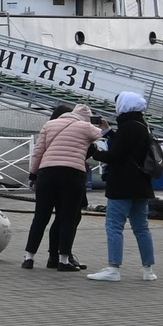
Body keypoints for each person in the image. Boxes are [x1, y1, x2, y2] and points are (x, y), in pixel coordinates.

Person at [88, 90, 163, 282]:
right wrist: (108, 132)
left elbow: (116, 155)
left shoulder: (127, 127)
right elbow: (128, 149)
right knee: (142, 228)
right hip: (142, 185)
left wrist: (95, 153)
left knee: (114, 226)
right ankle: (148, 270)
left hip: (122, 185)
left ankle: (113, 269)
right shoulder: (143, 126)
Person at [23, 103, 96, 271]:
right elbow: (99, 139)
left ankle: (29, 258)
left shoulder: (49, 126)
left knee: (40, 217)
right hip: (73, 175)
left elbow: (38, 152)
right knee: (68, 218)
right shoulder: (82, 127)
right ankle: (63, 259)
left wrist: (33, 175)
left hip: (47, 174)